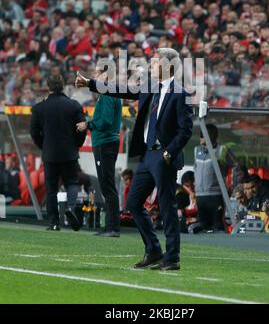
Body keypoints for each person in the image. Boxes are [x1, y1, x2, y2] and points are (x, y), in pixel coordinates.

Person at [76, 47, 193, 271]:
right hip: (148, 154)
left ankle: (173, 258)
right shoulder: (151, 86)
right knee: (133, 202)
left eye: (156, 61)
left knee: (167, 206)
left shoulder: (180, 93)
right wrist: (90, 83)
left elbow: (185, 130)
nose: (151, 65)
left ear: (168, 66)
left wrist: (169, 152)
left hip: (164, 155)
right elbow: (122, 89)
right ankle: (153, 249)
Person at [30, 73, 87, 231]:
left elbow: (34, 132)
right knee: (72, 183)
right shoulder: (74, 105)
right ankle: (70, 206)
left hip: (50, 153)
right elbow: (81, 129)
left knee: (51, 188)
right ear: (62, 86)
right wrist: (77, 145)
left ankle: (54, 222)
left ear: (48, 87)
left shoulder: (39, 108)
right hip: (69, 152)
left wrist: (44, 145)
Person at [76, 66, 122, 237]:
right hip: (105, 143)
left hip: (105, 143)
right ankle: (111, 226)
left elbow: (104, 122)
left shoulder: (108, 94)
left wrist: (87, 124)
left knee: (107, 185)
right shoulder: (109, 94)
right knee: (106, 185)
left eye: (97, 73)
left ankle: (113, 227)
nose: (94, 76)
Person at [194, 124, 242, 232]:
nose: (201, 138)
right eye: (201, 135)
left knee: (217, 226)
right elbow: (195, 170)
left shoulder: (222, 150)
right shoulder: (197, 150)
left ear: (212, 136)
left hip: (216, 195)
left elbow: (237, 167)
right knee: (202, 226)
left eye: (204, 135)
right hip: (200, 196)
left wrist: (233, 187)